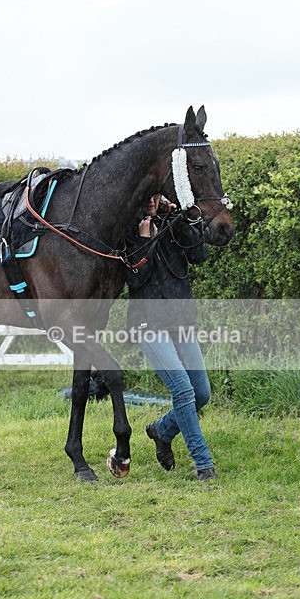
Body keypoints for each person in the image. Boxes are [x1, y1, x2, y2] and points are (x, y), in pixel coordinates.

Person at [125, 194, 216, 481]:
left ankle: (161, 431)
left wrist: (187, 218)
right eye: (146, 195)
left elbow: (199, 256)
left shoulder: (173, 221)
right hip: (148, 322)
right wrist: (144, 239)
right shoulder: (128, 229)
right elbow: (135, 279)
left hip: (180, 318)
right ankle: (203, 464)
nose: (150, 200)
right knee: (183, 391)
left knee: (201, 393)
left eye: (155, 195)